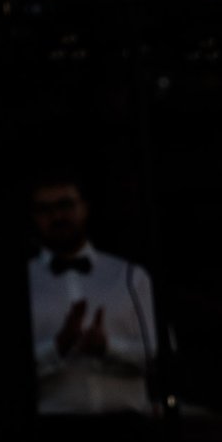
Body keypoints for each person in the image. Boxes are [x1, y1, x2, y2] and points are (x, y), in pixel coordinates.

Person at [27, 175, 158, 416]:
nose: (56, 216)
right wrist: (57, 347)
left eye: (65, 205)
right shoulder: (26, 283)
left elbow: (156, 358)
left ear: (85, 207)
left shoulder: (129, 275)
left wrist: (107, 348)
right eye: (44, 209)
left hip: (128, 425)